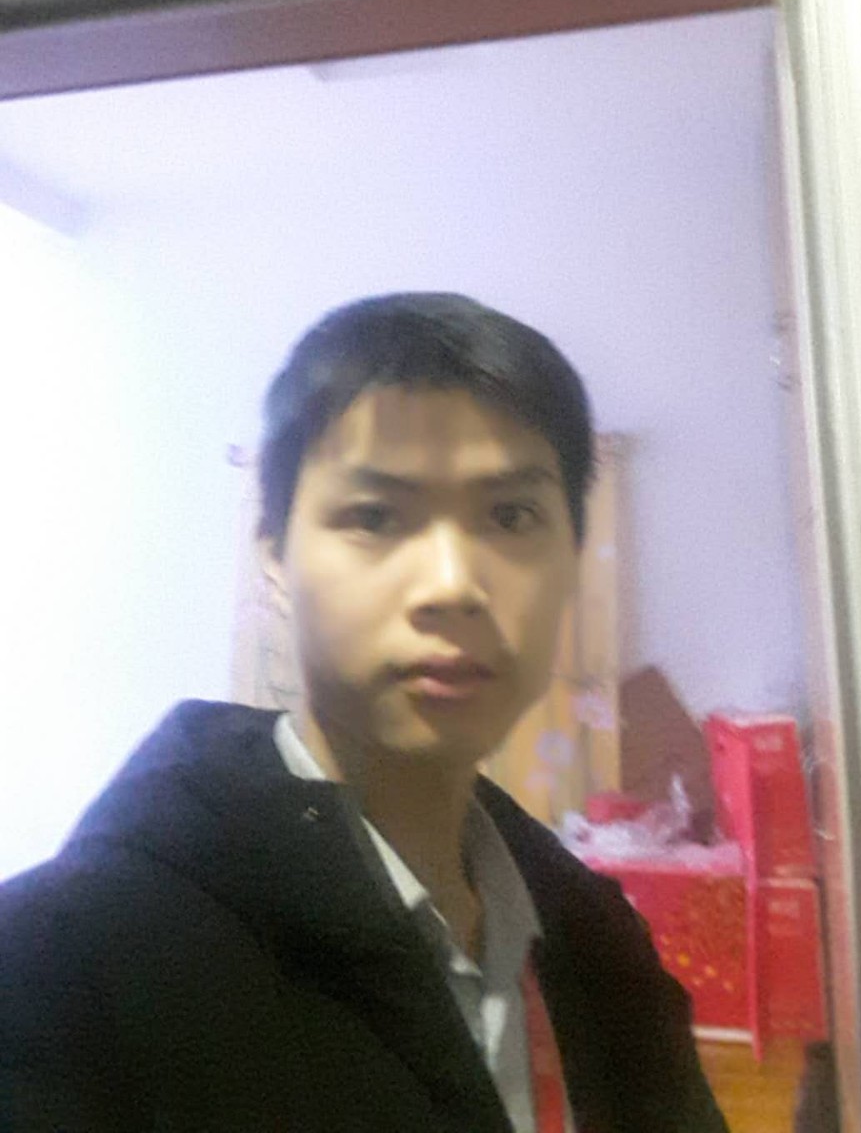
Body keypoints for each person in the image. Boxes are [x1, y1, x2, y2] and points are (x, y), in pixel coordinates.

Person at [0, 293, 728, 1133]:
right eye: (375, 517)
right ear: (275, 558)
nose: (452, 584)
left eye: (511, 515)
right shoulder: (63, 971)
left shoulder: (599, 946)